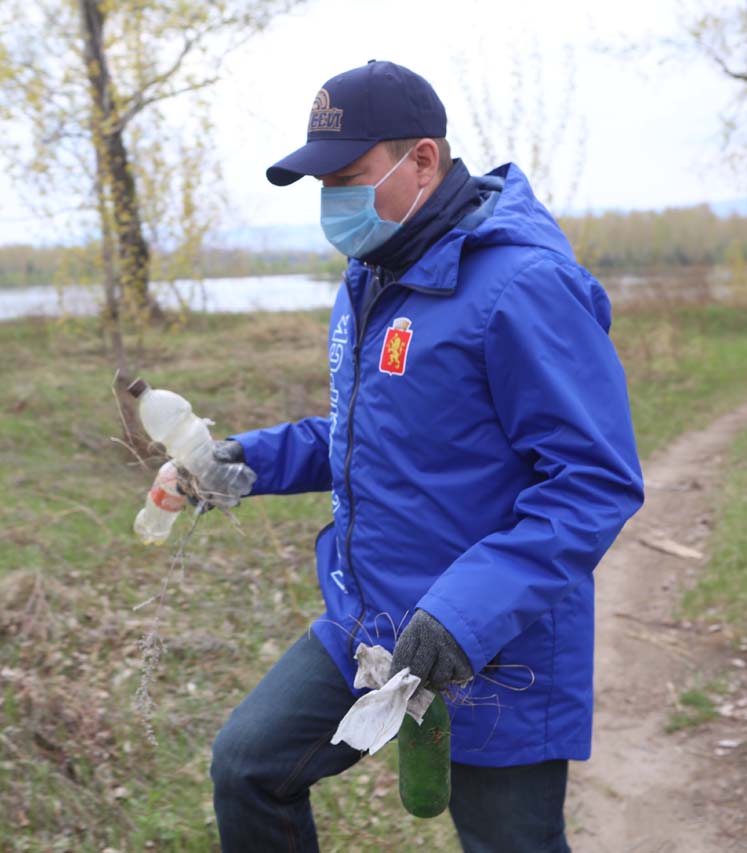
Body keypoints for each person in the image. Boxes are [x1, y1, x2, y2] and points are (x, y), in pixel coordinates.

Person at [191, 60, 645, 852]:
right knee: (248, 765)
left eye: (349, 176)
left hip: (497, 648)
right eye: (322, 182)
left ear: (424, 160)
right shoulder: (373, 274)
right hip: (369, 625)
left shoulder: (522, 286)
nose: (333, 200)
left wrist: (463, 614)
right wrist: (244, 460)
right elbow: (360, 433)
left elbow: (593, 482)